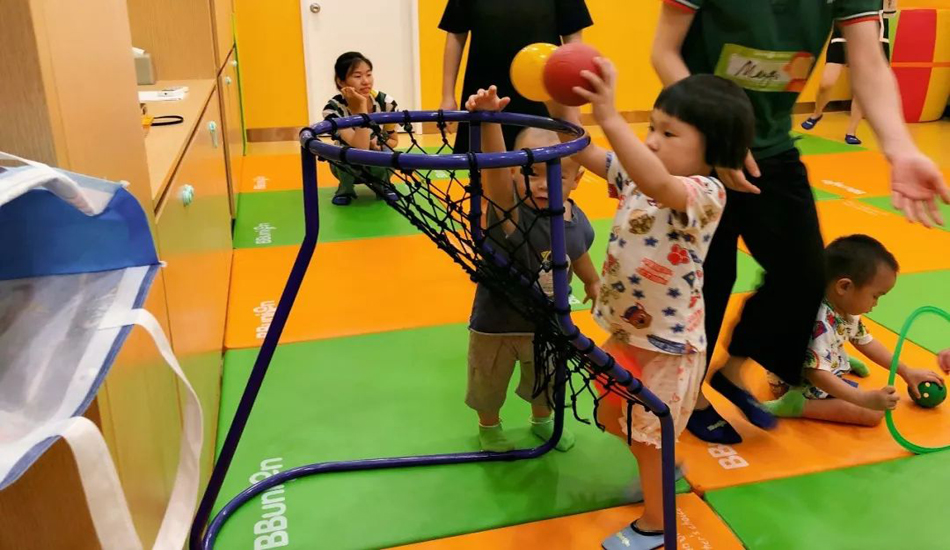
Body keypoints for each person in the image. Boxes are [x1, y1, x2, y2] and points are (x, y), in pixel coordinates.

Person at [651, 0, 950, 444]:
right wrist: (716, 133)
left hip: (771, 149)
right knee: (708, 280)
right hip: (698, 144)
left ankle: (733, 369)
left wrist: (900, 148)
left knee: (806, 272)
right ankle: (688, 396)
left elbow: (869, 61)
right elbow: (664, 51)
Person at [548, 63, 754, 548]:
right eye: (652, 129)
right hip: (626, 333)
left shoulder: (704, 193)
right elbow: (580, 146)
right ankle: (664, 461)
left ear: (713, 151)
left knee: (646, 436)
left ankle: (657, 523)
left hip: (669, 347)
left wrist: (610, 116)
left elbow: (661, 184)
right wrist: (560, 92)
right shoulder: (635, 174)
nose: (653, 141)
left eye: (669, 133)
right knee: (610, 416)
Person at [463, 87, 600, 453]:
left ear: (576, 180)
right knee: (489, 382)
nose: (542, 184)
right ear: (513, 172)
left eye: (556, 176)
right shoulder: (511, 213)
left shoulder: (576, 218)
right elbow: (494, 173)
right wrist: (490, 121)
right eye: (530, 173)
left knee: (547, 378)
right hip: (497, 324)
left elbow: (578, 252)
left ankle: (541, 421)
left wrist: (593, 281)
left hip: (548, 322)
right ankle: (489, 427)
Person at [764, 235, 944, 426]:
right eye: (875, 296)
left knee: (836, 358)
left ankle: (835, 358)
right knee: (872, 414)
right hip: (794, 383)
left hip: (814, 365)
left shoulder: (842, 307)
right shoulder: (818, 322)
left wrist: (906, 371)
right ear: (844, 286)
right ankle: (797, 406)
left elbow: (866, 341)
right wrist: (863, 399)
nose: (876, 304)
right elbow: (817, 375)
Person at [439, 0, 593, 152]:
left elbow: (573, 40)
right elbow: (455, 34)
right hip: (485, 92)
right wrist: (447, 96)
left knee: (545, 160)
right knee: (482, 159)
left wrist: (573, 99)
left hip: (542, 92)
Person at [801, 1, 898, 144]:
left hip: (875, 30)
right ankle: (817, 113)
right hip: (843, 28)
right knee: (826, 83)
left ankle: (851, 131)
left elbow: (890, 11)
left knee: (863, 87)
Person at [322, 52, 399, 206]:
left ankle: (384, 185)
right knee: (343, 154)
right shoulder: (333, 109)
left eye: (369, 74)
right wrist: (361, 106)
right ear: (341, 81)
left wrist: (381, 144)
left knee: (387, 154)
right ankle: (345, 189)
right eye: (357, 76)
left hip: (377, 159)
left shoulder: (386, 103)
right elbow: (360, 148)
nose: (366, 81)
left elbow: (393, 141)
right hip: (348, 164)